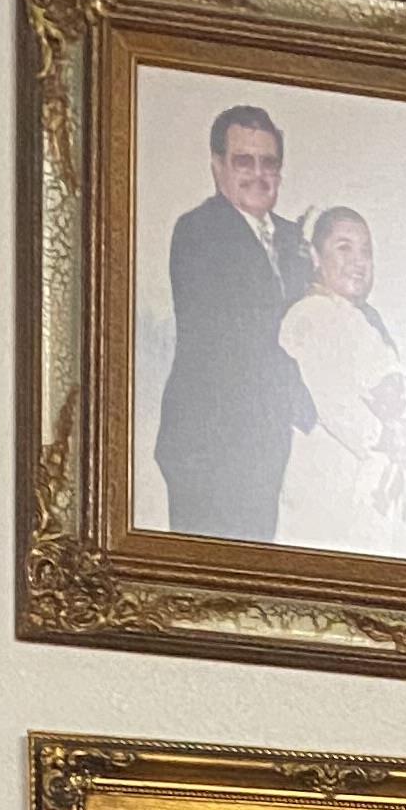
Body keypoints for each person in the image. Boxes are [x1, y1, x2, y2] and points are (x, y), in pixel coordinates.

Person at [154, 106, 317, 542]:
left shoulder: (293, 238)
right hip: (209, 446)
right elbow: (230, 336)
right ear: (217, 167)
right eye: (244, 161)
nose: (259, 174)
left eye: (270, 163)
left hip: (267, 441)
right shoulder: (199, 232)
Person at [276, 207, 406, 555]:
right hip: (326, 492)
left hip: (370, 495)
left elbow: (403, 391)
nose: (358, 261)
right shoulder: (309, 316)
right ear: (316, 256)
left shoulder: (365, 320)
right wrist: (389, 436)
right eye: (344, 248)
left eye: (366, 252)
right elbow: (334, 403)